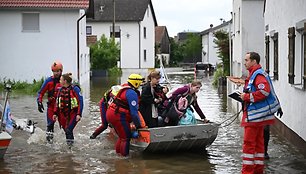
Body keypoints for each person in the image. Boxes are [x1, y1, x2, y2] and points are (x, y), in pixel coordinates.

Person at [238, 52, 282, 174]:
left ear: (254, 61)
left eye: (246, 60)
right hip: (258, 116)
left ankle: (247, 172)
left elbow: (264, 92)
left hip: (254, 116)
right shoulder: (256, 74)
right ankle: (258, 170)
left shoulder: (257, 75)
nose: (244, 62)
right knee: (258, 144)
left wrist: (246, 97)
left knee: (248, 144)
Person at [106, 74, 146, 156]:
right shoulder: (132, 93)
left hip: (111, 113)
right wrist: (138, 126)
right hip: (118, 116)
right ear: (136, 83)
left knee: (121, 136)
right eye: (140, 82)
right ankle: (124, 158)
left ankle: (118, 155)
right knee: (126, 138)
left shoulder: (124, 88)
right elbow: (134, 113)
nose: (141, 84)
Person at [53, 73, 83, 146]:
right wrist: (55, 113)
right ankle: (70, 146)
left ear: (65, 81)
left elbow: (80, 101)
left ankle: (70, 149)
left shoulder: (75, 89)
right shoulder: (60, 90)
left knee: (68, 130)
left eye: (61, 80)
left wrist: (79, 114)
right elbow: (57, 102)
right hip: (63, 114)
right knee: (67, 131)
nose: (59, 81)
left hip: (73, 113)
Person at [37, 61, 63, 142]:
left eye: (57, 71)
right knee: (50, 125)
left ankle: (68, 144)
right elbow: (41, 93)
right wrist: (39, 102)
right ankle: (49, 144)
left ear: (61, 71)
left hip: (62, 107)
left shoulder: (64, 81)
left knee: (66, 127)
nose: (55, 73)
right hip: (51, 107)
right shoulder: (48, 81)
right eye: (54, 71)